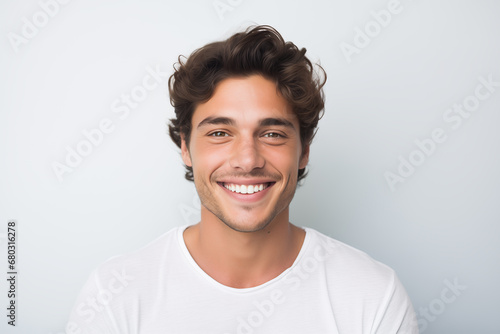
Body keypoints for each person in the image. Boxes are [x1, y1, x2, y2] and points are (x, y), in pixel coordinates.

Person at [67, 25, 418, 334]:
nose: (248, 160)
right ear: (186, 148)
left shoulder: (373, 295)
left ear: (304, 151)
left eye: (273, 134)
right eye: (220, 133)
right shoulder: (113, 295)